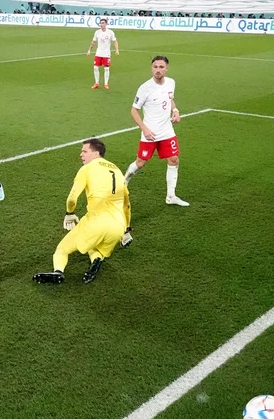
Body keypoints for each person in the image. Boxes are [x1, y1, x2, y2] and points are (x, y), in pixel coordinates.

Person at [33, 139, 132, 285]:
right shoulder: (117, 171)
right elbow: (127, 205)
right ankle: (97, 261)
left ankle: (58, 272)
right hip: (117, 227)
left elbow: (72, 198)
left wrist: (69, 213)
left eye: (85, 151)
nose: (81, 154)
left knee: (62, 249)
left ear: (96, 153)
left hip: (96, 222)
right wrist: (127, 229)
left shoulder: (87, 169)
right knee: (95, 248)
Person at [124, 56, 188, 206]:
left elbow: (170, 99)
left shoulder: (171, 83)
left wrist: (176, 111)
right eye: (155, 67)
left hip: (167, 131)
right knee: (140, 162)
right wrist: (144, 129)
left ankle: (171, 196)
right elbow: (134, 110)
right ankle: (124, 180)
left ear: (166, 68)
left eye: (161, 67)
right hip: (150, 133)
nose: (158, 70)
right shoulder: (145, 88)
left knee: (173, 159)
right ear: (151, 68)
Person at [86, 18, 119, 89]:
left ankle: (106, 84)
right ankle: (96, 83)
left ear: (106, 24)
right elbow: (93, 42)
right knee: (95, 68)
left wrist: (117, 50)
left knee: (106, 68)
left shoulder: (110, 32)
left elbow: (115, 41)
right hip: (98, 52)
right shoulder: (97, 32)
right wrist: (89, 50)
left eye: (103, 23)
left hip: (106, 53)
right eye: (101, 23)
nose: (101, 24)